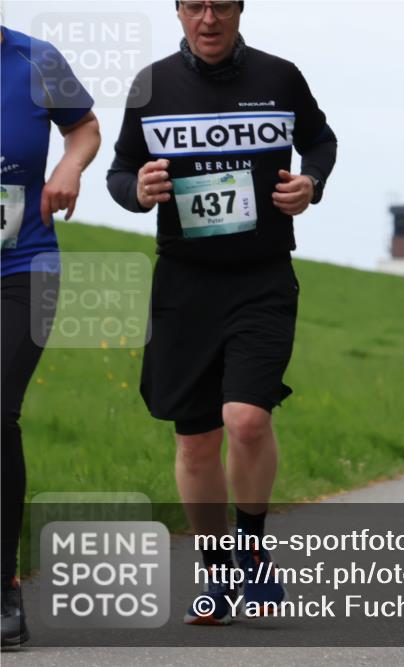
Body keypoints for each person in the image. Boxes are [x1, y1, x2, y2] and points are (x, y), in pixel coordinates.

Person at [106, 0, 337, 625]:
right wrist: (136, 191)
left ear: (240, 9)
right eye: (194, 6)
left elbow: (320, 140)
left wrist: (310, 181)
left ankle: (253, 550)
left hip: (261, 278)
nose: (208, 19)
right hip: (185, 285)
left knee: (246, 420)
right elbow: (121, 170)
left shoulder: (279, 77)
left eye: (222, 5)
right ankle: (214, 571)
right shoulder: (151, 86)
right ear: (179, 11)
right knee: (197, 439)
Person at [1, 23, 100, 647]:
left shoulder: (37, 58)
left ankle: (5, 588)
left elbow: (84, 125)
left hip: (22, 267)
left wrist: (69, 162)